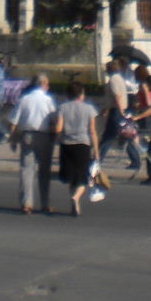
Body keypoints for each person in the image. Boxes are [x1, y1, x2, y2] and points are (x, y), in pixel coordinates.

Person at [9, 73, 56, 214]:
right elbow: (54, 120)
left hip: (27, 136)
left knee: (26, 170)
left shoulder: (24, 99)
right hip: (44, 136)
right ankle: (45, 203)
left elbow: (13, 121)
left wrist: (13, 140)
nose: (48, 87)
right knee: (44, 171)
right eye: (47, 84)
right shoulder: (48, 100)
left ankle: (26, 203)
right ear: (43, 84)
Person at [54, 79, 100, 215]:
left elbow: (58, 128)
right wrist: (96, 150)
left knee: (71, 176)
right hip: (83, 144)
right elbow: (92, 131)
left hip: (67, 145)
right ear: (81, 94)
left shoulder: (62, 107)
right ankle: (76, 198)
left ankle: (74, 203)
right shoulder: (89, 109)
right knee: (82, 177)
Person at [98, 56, 140, 172]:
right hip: (117, 110)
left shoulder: (113, 80)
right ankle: (135, 161)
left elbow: (117, 96)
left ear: (110, 69)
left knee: (108, 137)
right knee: (125, 137)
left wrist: (120, 111)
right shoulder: (119, 79)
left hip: (116, 111)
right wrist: (107, 108)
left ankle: (97, 159)